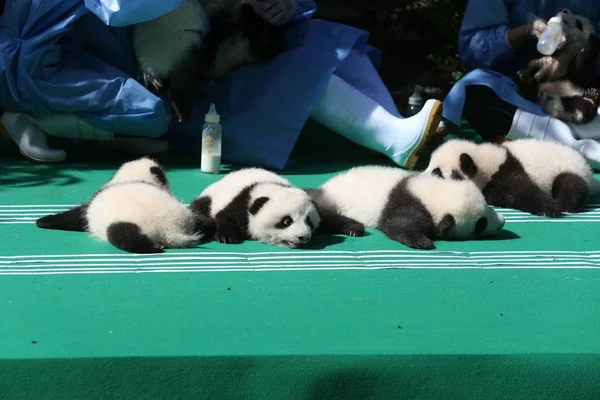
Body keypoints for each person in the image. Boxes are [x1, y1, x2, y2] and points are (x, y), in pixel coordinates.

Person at [0, 0, 444, 170]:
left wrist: (284, 4)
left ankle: (391, 128)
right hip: (101, 59)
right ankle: (390, 137)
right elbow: (120, 8)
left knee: (313, 39)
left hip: (193, 50)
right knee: (273, 80)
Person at [442, 0, 600, 170]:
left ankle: (566, 144)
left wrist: (571, 57)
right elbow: (474, 49)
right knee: (471, 90)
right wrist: (526, 30)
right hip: (521, 99)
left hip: (584, 95)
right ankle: (584, 149)